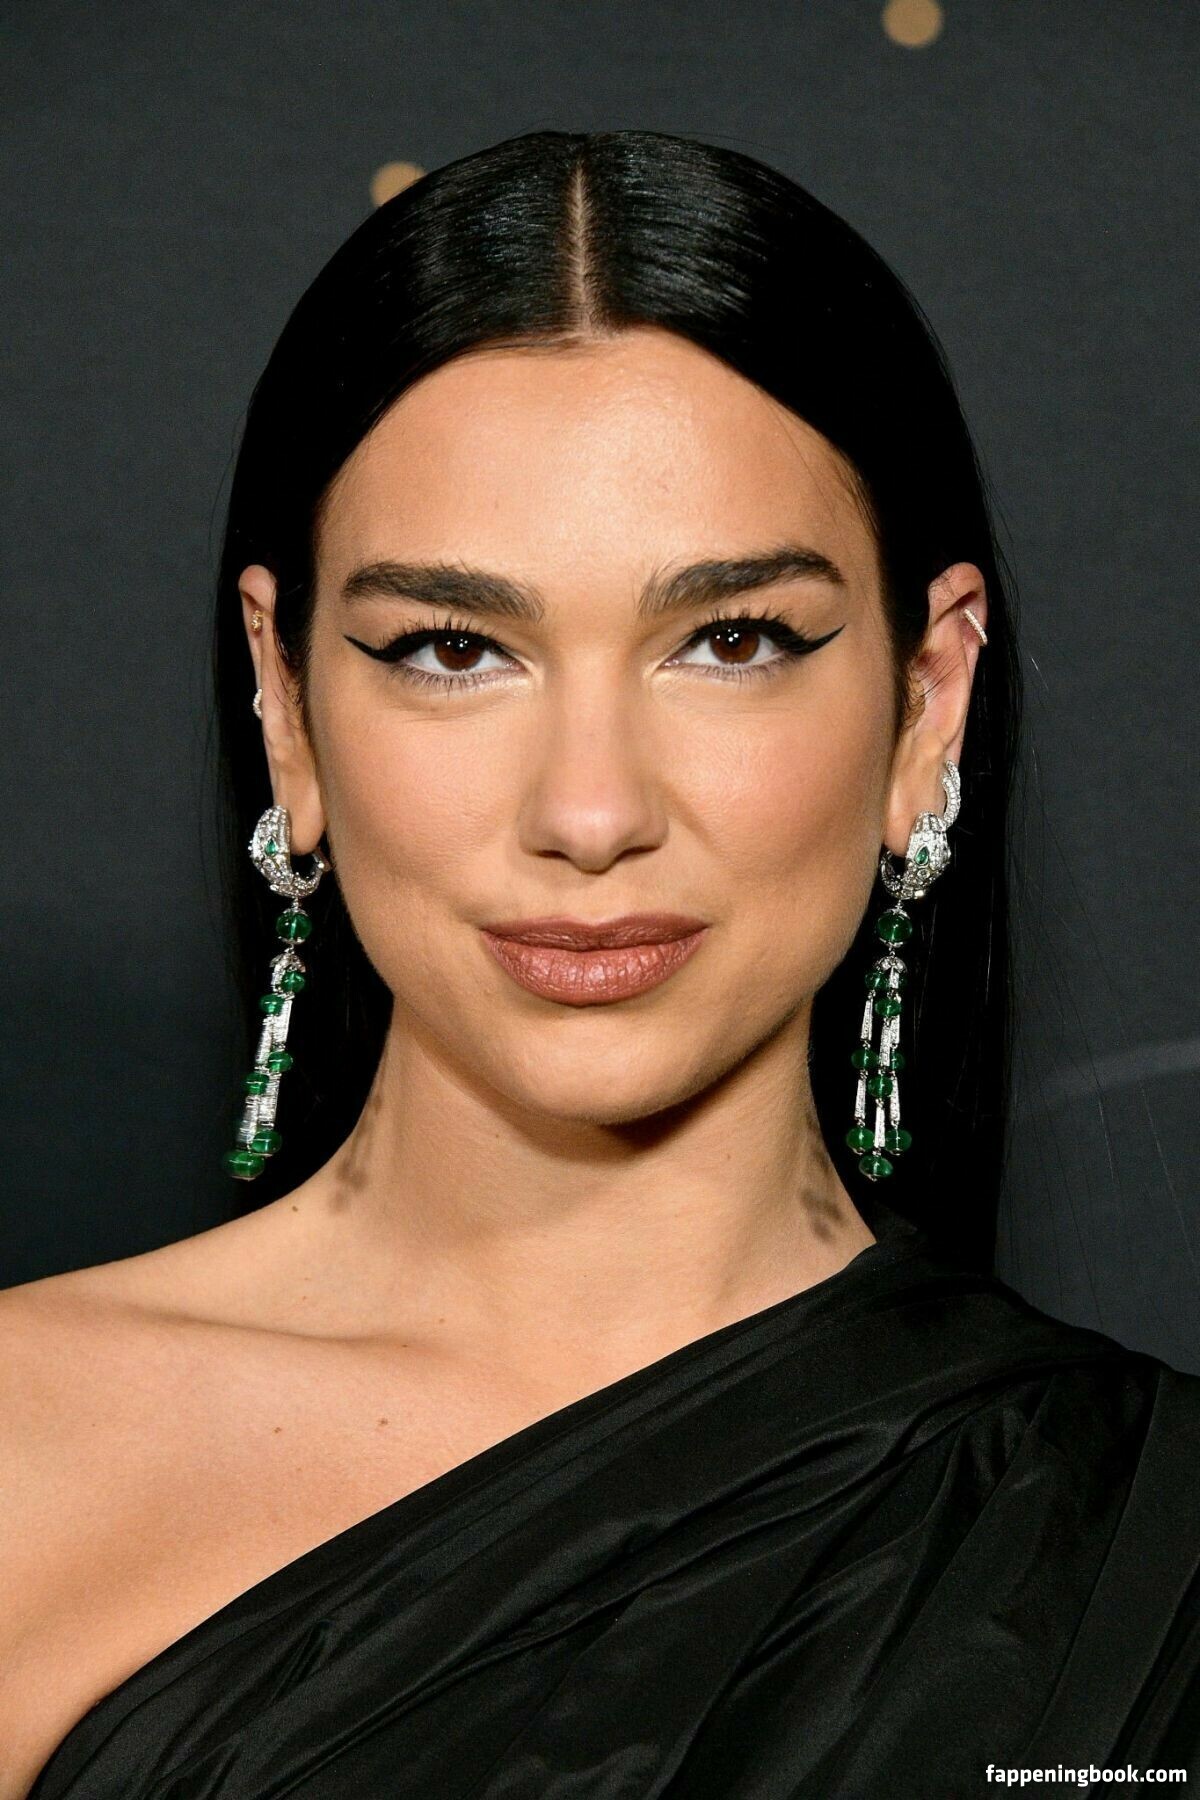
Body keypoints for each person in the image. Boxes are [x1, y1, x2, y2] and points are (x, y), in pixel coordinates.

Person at [3, 128, 1197, 1799]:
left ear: (929, 701)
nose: (589, 812)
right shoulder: (26, 1449)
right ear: (285, 700)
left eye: (732, 641)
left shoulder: (1150, 1546)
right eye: (452, 648)